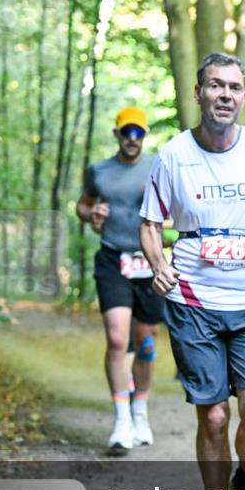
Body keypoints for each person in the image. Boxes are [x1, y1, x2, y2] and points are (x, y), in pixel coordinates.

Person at [139, 52, 245, 490]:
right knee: (213, 417)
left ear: (244, 96)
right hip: (194, 299)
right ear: (200, 93)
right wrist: (160, 266)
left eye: (233, 87)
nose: (224, 94)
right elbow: (150, 223)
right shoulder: (173, 154)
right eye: (215, 86)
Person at [76, 106, 163, 456]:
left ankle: (141, 411)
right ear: (117, 134)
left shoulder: (159, 168)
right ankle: (122, 419)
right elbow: (82, 205)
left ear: (145, 136)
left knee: (146, 344)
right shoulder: (99, 171)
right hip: (113, 259)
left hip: (150, 262)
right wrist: (91, 213)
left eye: (138, 132)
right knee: (116, 339)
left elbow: (179, 211)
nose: (132, 138)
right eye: (127, 132)